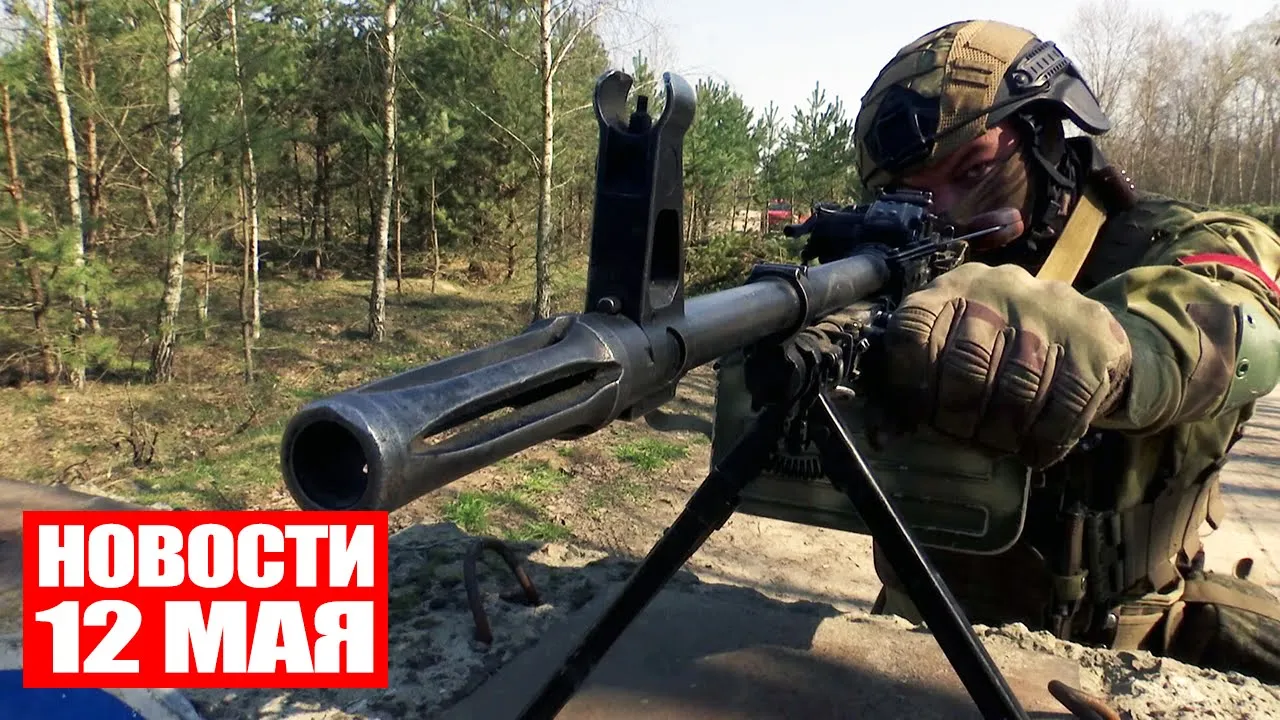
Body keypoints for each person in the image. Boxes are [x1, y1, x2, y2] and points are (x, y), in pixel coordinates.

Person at [813, 19, 1280, 682]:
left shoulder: (1171, 239)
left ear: (1046, 140)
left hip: (1138, 651)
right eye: (913, 194)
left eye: (974, 170)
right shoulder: (892, 267)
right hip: (919, 643)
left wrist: (1116, 357)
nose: (946, 213)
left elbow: (1238, 321)